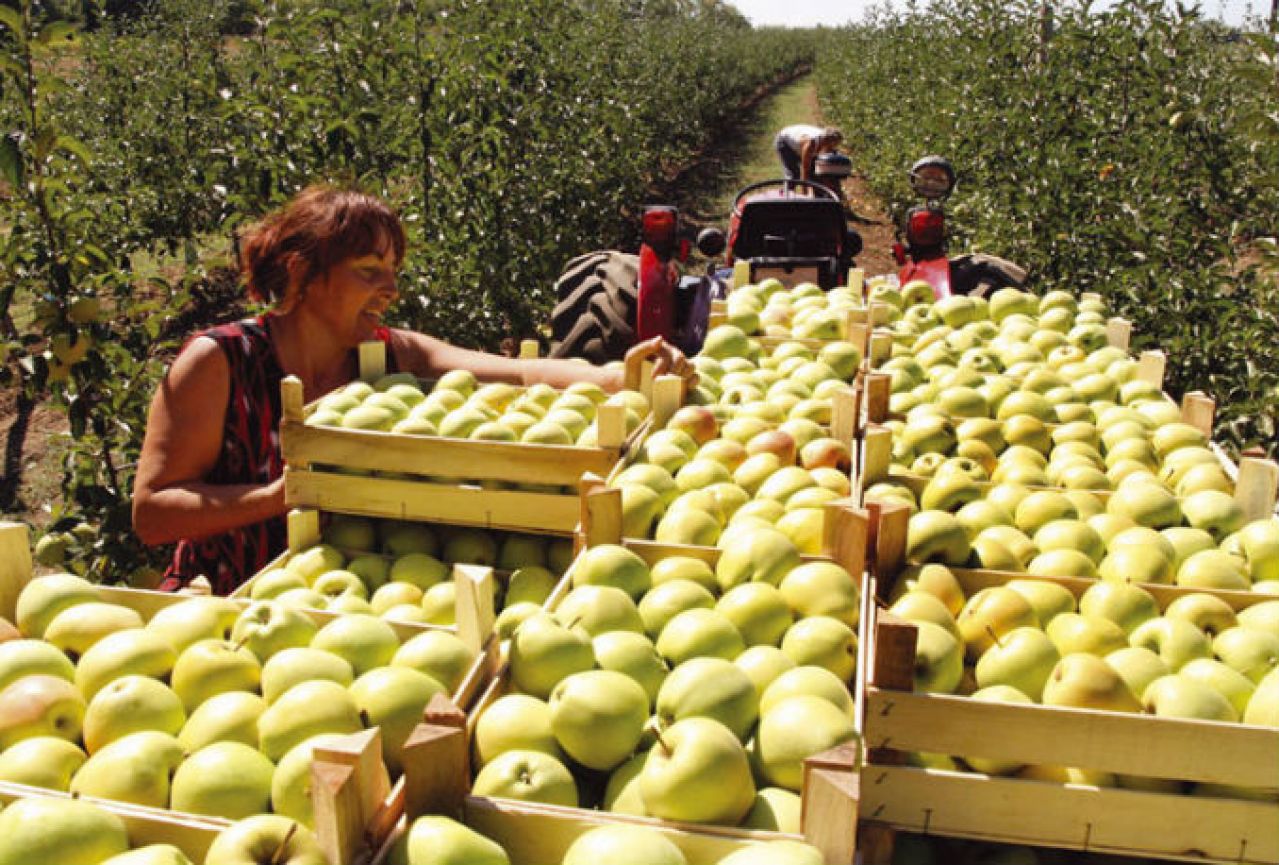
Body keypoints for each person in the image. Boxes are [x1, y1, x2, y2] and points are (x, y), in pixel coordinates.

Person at [133, 185, 695, 594]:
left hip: (360, 587)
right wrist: (284, 494)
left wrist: (616, 375)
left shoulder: (384, 356)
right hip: (227, 596)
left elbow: (518, 374)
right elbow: (153, 512)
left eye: (394, 268)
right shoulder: (220, 362)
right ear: (302, 272)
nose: (391, 287)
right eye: (368, 269)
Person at [774, 125, 843, 184]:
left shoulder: (825, 139)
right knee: (794, 174)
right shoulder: (810, 144)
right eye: (832, 145)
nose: (832, 148)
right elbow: (805, 170)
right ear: (826, 141)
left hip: (798, 138)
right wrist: (805, 195)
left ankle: (819, 197)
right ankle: (788, 196)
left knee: (816, 171)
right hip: (784, 143)